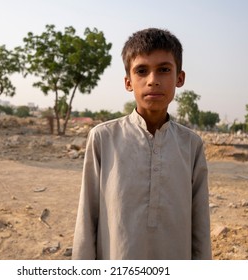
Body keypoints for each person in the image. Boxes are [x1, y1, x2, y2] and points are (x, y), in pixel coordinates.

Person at [72, 28, 211, 260]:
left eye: (164, 70)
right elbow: (87, 218)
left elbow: (200, 226)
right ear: (128, 82)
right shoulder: (103, 138)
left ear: (180, 78)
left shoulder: (191, 145)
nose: (153, 81)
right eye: (142, 71)